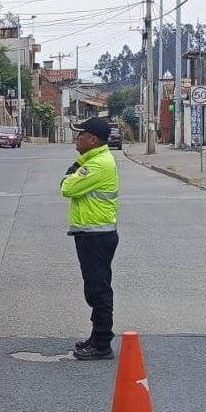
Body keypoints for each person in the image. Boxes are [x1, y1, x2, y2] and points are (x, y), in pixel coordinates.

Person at [62, 117, 121, 361]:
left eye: (81, 134)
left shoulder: (98, 164)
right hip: (92, 233)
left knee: (98, 289)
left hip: (97, 235)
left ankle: (102, 342)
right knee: (94, 287)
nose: (77, 138)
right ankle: (97, 337)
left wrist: (72, 173)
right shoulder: (94, 159)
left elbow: (67, 187)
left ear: (93, 140)